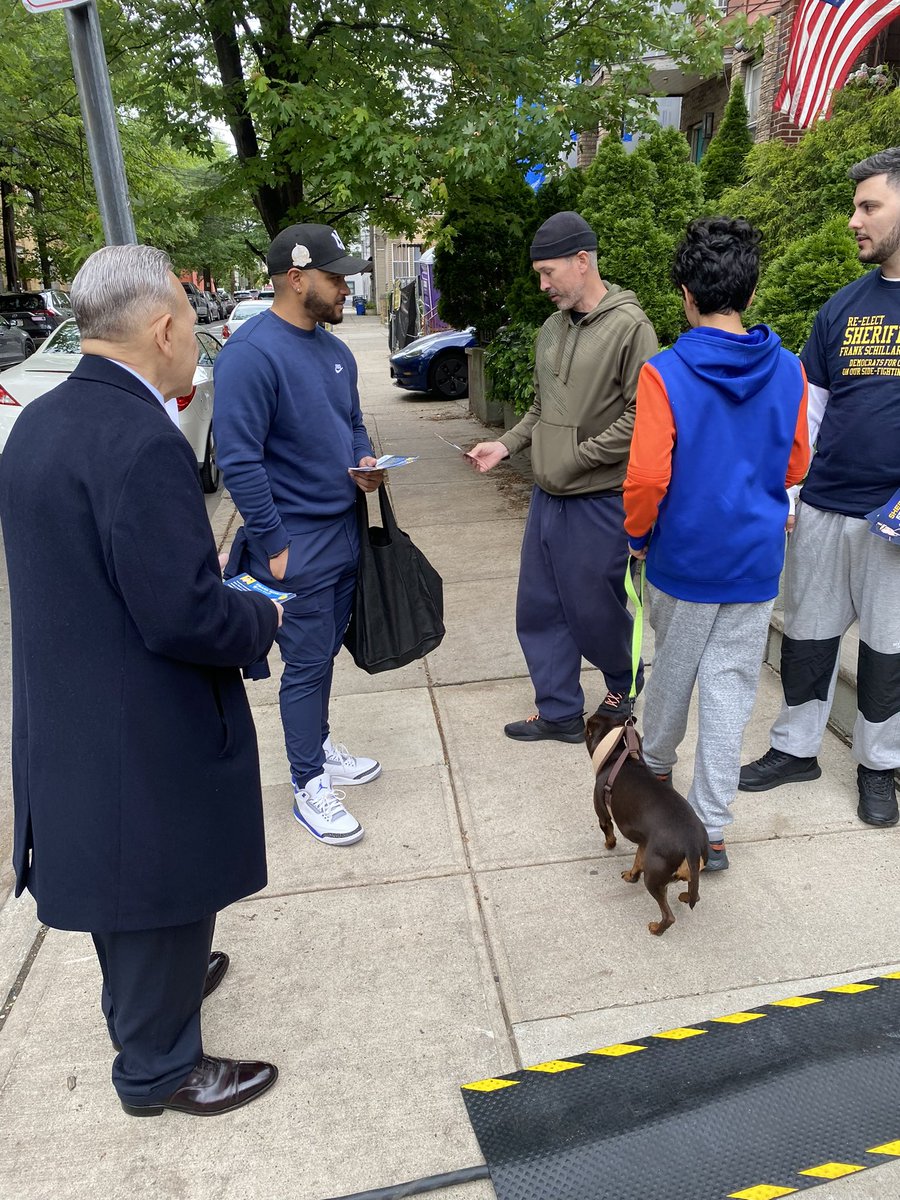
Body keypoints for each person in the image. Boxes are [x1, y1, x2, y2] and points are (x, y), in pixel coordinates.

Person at [0, 245, 282, 1116]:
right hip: (137, 717)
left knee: (126, 875)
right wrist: (261, 614)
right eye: (192, 325)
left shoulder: (38, 423)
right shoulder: (143, 442)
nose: (196, 340)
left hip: (73, 707)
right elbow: (184, 615)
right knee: (152, 877)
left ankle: (159, 992)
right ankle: (159, 1068)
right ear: (162, 327)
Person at [624, 218, 810, 871]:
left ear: (685, 293)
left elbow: (647, 476)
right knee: (732, 691)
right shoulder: (789, 370)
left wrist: (638, 536)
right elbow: (794, 465)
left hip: (685, 560)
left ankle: (655, 784)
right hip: (756, 562)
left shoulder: (664, 373)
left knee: (671, 679)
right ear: (750, 294)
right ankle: (714, 830)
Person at [740, 148, 900, 826]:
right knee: (807, 637)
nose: (852, 220)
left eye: (869, 206)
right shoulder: (841, 307)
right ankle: (796, 748)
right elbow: (810, 413)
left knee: (889, 650)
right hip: (826, 506)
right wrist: (789, 491)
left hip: (893, 518)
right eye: (855, 206)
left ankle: (878, 767)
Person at [213, 223, 383, 847]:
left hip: (343, 532)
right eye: (336, 277)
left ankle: (319, 745)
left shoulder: (334, 351)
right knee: (305, 667)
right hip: (296, 543)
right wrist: (275, 544)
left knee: (324, 653)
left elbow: (352, 425)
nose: (346, 286)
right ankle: (308, 782)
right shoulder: (251, 355)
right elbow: (239, 459)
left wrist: (365, 466)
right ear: (296, 277)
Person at [468, 211, 658, 743]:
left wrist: (577, 456)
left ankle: (623, 685)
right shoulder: (550, 330)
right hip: (546, 496)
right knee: (540, 607)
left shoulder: (631, 328)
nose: (543, 285)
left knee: (597, 609)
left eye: (549, 272)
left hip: (599, 500)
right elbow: (538, 408)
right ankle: (558, 712)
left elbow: (641, 415)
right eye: (538, 275)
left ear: (583, 261)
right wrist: (504, 447)